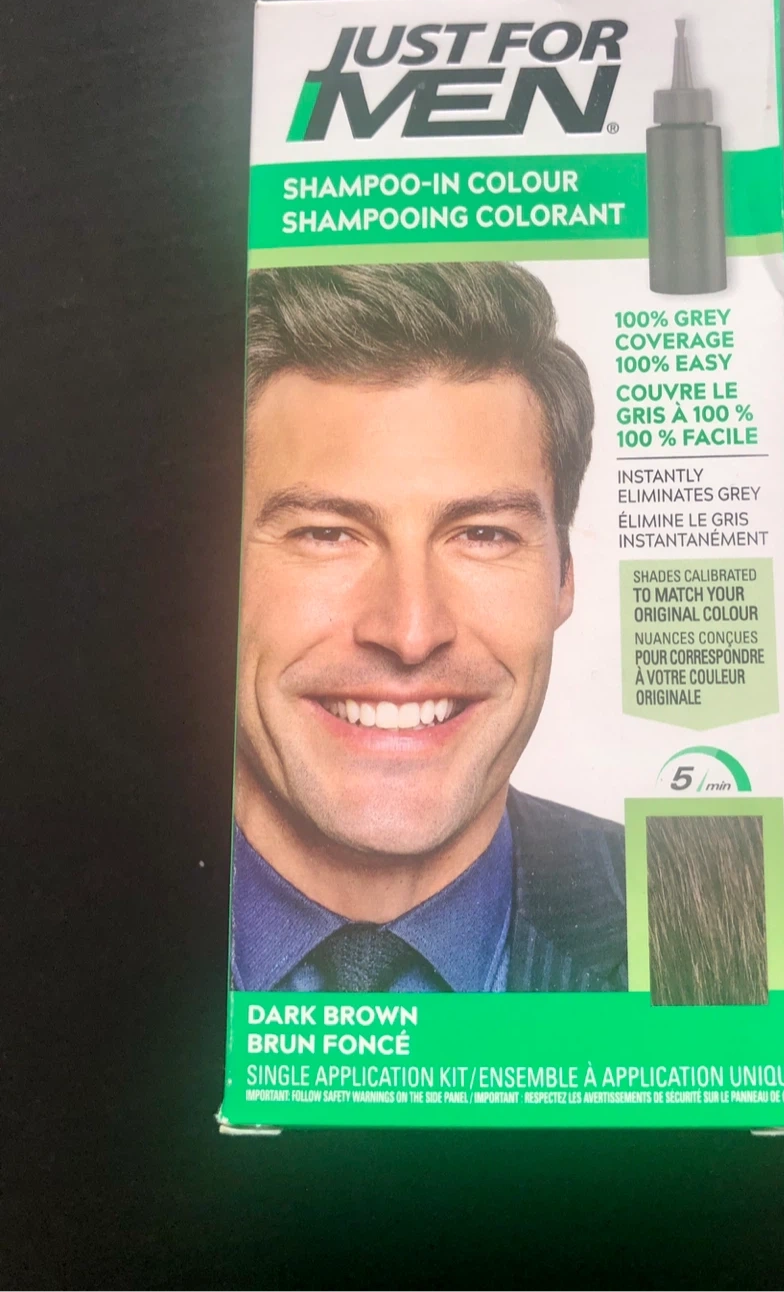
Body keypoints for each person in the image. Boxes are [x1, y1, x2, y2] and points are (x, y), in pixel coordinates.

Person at [230, 260, 628, 993]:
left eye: (483, 534)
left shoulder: (753, 944)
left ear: (565, 575)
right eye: (326, 533)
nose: (411, 632)